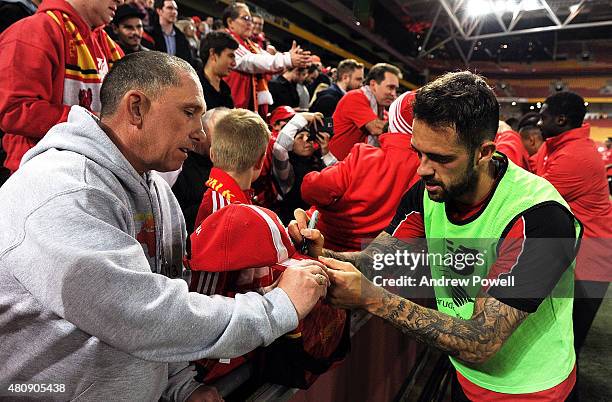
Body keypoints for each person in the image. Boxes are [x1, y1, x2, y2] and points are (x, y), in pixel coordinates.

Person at [0, 51, 328, 401]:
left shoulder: (156, 188)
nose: (201, 133)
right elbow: (139, 316)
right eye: (189, 113)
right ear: (137, 108)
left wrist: (179, 385)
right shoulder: (62, 190)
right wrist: (278, 308)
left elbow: (166, 297)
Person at [300, 71, 582, 401]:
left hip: (531, 390)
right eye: (418, 152)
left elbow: (482, 340)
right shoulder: (428, 192)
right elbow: (379, 261)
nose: (422, 169)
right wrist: (322, 253)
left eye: (440, 158)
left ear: (484, 152)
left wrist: (370, 298)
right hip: (465, 375)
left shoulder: (540, 217)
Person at [0, 0, 124, 175]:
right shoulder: (31, 32)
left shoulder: (111, 46)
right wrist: (97, 122)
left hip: (96, 172)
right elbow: (14, 110)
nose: (121, 0)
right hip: (42, 176)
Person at [534, 91, 612, 357]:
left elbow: (532, 199)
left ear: (561, 119)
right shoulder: (558, 145)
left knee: (566, 347)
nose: (539, 123)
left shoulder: (575, 157)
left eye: (543, 118)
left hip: (589, 264)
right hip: (576, 256)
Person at [301, 91, 420, 251]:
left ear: (394, 122)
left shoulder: (364, 157)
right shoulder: (433, 171)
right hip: (385, 264)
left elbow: (312, 189)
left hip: (331, 253)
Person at [222, 2, 310, 114]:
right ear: (230, 22)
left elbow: (269, 61)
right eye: (246, 18)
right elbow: (250, 62)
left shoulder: (252, 45)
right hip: (232, 105)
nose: (250, 23)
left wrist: (290, 58)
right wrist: (287, 59)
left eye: (250, 19)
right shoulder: (227, 40)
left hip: (247, 106)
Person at [171, 107, 229, 238]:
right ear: (203, 133)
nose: (226, 141)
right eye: (221, 133)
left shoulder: (232, 165)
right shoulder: (179, 167)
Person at [270, 112, 337, 224]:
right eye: (300, 137)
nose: (306, 140)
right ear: (291, 145)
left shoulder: (319, 160)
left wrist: (326, 152)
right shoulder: (287, 171)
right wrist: (302, 117)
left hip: (324, 224)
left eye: (309, 137)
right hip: (295, 227)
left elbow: (340, 177)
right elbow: (279, 148)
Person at [329, 63, 401, 160]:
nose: (394, 94)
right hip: (333, 166)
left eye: (395, 89)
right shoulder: (355, 97)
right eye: (390, 87)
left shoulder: (383, 113)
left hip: (353, 168)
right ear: (373, 84)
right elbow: (376, 128)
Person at [198, 30, 237, 110]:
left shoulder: (225, 90)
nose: (234, 63)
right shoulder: (194, 87)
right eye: (230, 56)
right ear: (213, 53)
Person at [151, 0, 193, 66]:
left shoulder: (182, 37)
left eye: (176, 9)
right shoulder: (150, 34)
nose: (174, 12)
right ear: (159, 11)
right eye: (169, 8)